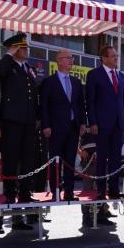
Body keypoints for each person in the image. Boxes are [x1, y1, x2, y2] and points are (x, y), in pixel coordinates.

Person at [0, 33, 39, 216]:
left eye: (26, 47)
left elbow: (33, 95)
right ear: (14, 49)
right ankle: (10, 194)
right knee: (11, 158)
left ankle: (25, 192)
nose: (26, 50)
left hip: (28, 121)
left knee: (28, 158)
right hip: (11, 120)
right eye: (22, 47)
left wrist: (37, 117)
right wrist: (8, 55)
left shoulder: (29, 68)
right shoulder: (7, 65)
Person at [40, 50, 86, 201]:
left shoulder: (76, 81)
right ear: (59, 60)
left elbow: (81, 104)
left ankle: (69, 192)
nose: (71, 60)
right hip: (55, 128)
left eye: (72, 58)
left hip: (73, 127)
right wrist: (46, 125)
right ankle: (55, 192)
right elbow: (44, 106)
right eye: (68, 58)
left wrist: (83, 123)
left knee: (70, 161)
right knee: (56, 160)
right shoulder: (49, 82)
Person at [86, 45, 124, 200]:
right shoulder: (94, 74)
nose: (116, 58)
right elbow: (90, 101)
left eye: (116, 55)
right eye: (113, 56)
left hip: (118, 124)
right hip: (101, 124)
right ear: (104, 58)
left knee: (115, 159)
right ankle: (100, 189)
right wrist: (92, 122)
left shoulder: (121, 76)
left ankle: (113, 189)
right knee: (101, 158)